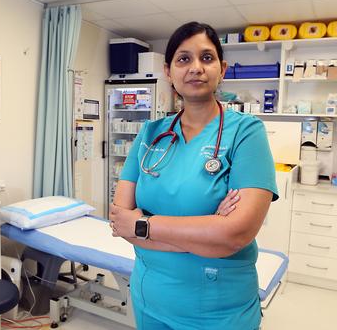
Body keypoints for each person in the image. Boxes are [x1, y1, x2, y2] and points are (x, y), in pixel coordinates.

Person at [110, 21, 277, 330]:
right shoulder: (150, 133)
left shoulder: (246, 132)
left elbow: (235, 234)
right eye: (184, 59)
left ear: (222, 68)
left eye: (207, 58)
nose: (196, 68)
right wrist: (209, 233)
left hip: (219, 311)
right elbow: (121, 221)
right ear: (168, 71)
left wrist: (144, 225)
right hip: (150, 300)